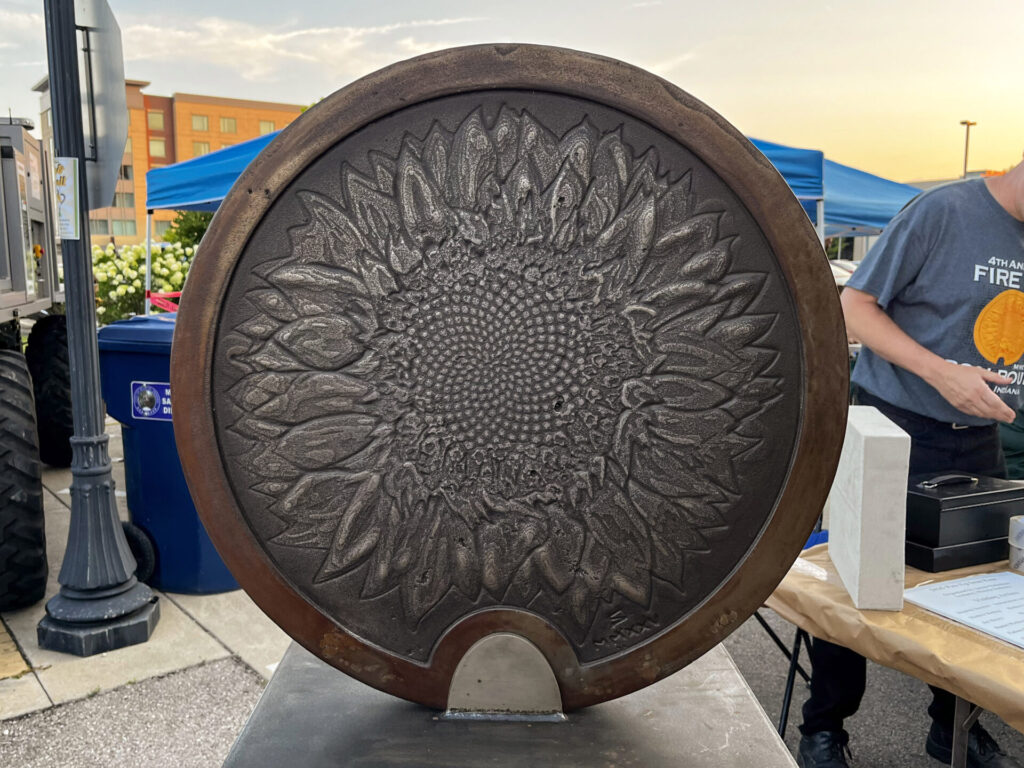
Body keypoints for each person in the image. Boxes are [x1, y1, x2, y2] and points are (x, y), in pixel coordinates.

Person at [797, 156, 1024, 768]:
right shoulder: (944, 211)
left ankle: (954, 727)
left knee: (975, 587)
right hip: (896, 424)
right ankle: (824, 728)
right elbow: (855, 305)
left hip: (981, 439)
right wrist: (941, 372)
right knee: (855, 581)